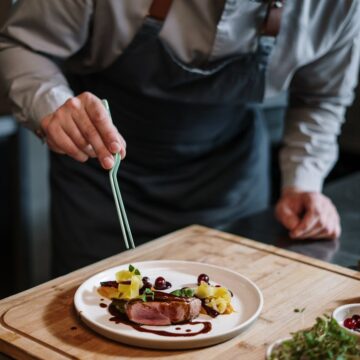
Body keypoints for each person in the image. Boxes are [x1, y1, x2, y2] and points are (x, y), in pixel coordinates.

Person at [0, 0, 358, 276]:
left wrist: (304, 181)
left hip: (230, 183)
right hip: (104, 184)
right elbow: (24, 45)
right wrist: (54, 105)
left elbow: (321, 97)